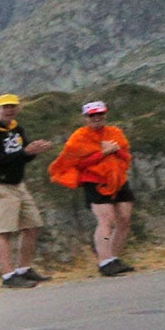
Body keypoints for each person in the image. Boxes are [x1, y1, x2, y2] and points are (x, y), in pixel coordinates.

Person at [49, 100, 135, 276]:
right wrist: (103, 153)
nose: (97, 118)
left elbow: (126, 156)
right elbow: (77, 163)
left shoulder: (115, 133)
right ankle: (105, 261)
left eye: (100, 114)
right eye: (92, 115)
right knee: (107, 221)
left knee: (124, 219)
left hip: (118, 179)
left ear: (105, 114)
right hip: (95, 181)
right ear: (86, 118)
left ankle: (114, 258)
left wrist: (115, 150)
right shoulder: (79, 138)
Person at [0, 93, 53, 288]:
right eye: (5, 107)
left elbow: (22, 155)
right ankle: (8, 275)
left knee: (32, 225)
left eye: (13, 106)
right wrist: (24, 153)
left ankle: (24, 269)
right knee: (4, 231)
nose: (9, 110)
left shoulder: (16, 129)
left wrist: (32, 152)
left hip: (17, 184)